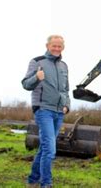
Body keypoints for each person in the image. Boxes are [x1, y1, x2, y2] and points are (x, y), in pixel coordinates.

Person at [22, 34, 70, 188]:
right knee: (50, 149)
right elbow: (25, 84)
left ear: (63, 47)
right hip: (43, 110)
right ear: (47, 46)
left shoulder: (64, 66)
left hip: (59, 111)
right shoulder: (37, 62)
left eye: (59, 46)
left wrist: (66, 105)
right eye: (54, 45)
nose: (56, 48)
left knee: (44, 148)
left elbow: (66, 89)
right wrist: (36, 77)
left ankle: (32, 180)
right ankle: (46, 184)